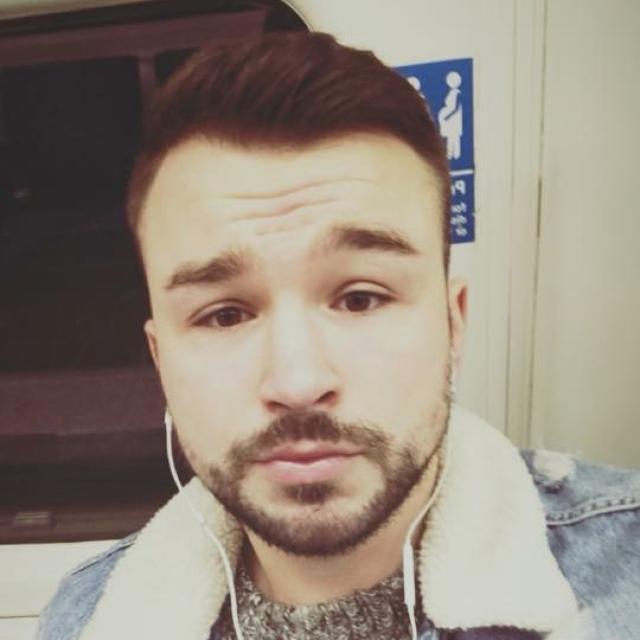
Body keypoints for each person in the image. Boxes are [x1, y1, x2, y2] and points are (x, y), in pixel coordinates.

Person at [37, 32, 639, 640]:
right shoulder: (83, 621)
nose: (298, 382)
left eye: (360, 299)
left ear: (453, 323)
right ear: (160, 359)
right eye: (225, 316)